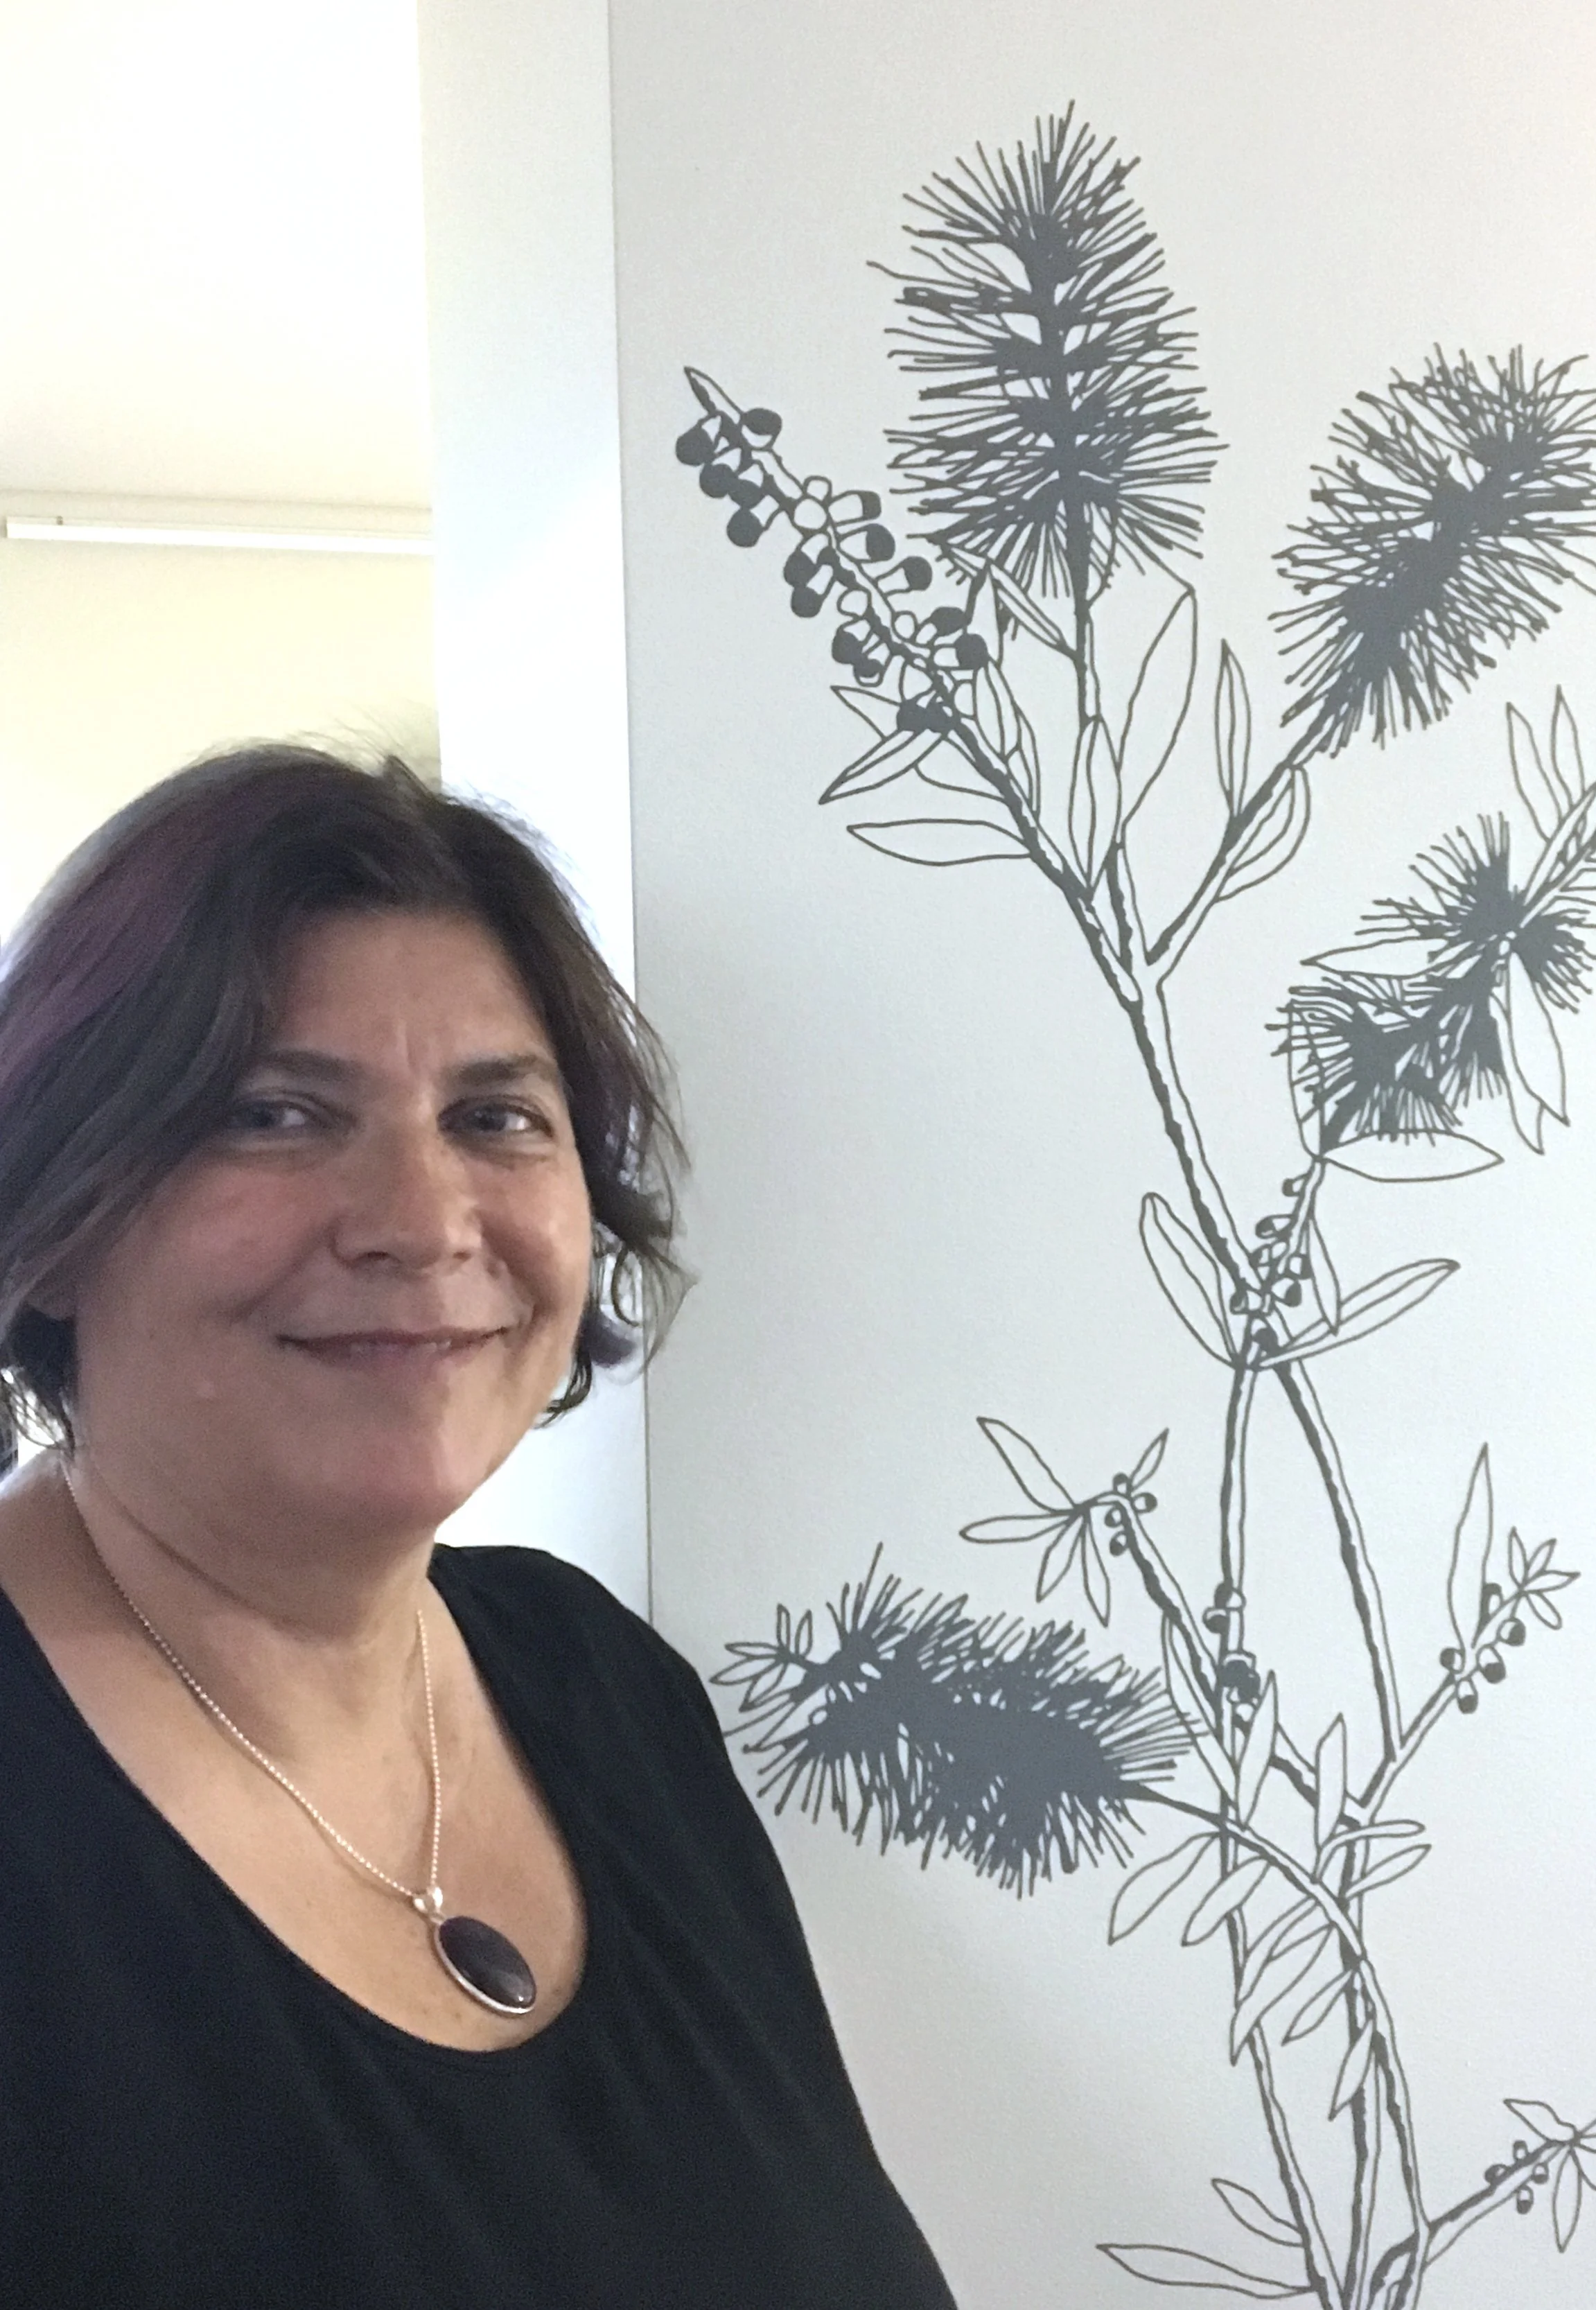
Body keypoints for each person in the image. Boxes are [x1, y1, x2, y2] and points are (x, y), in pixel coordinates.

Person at [0, 746, 956, 2309]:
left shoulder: (605, 1686)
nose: (424, 1220)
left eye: (497, 1116)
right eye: (275, 1113)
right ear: (52, 1214)